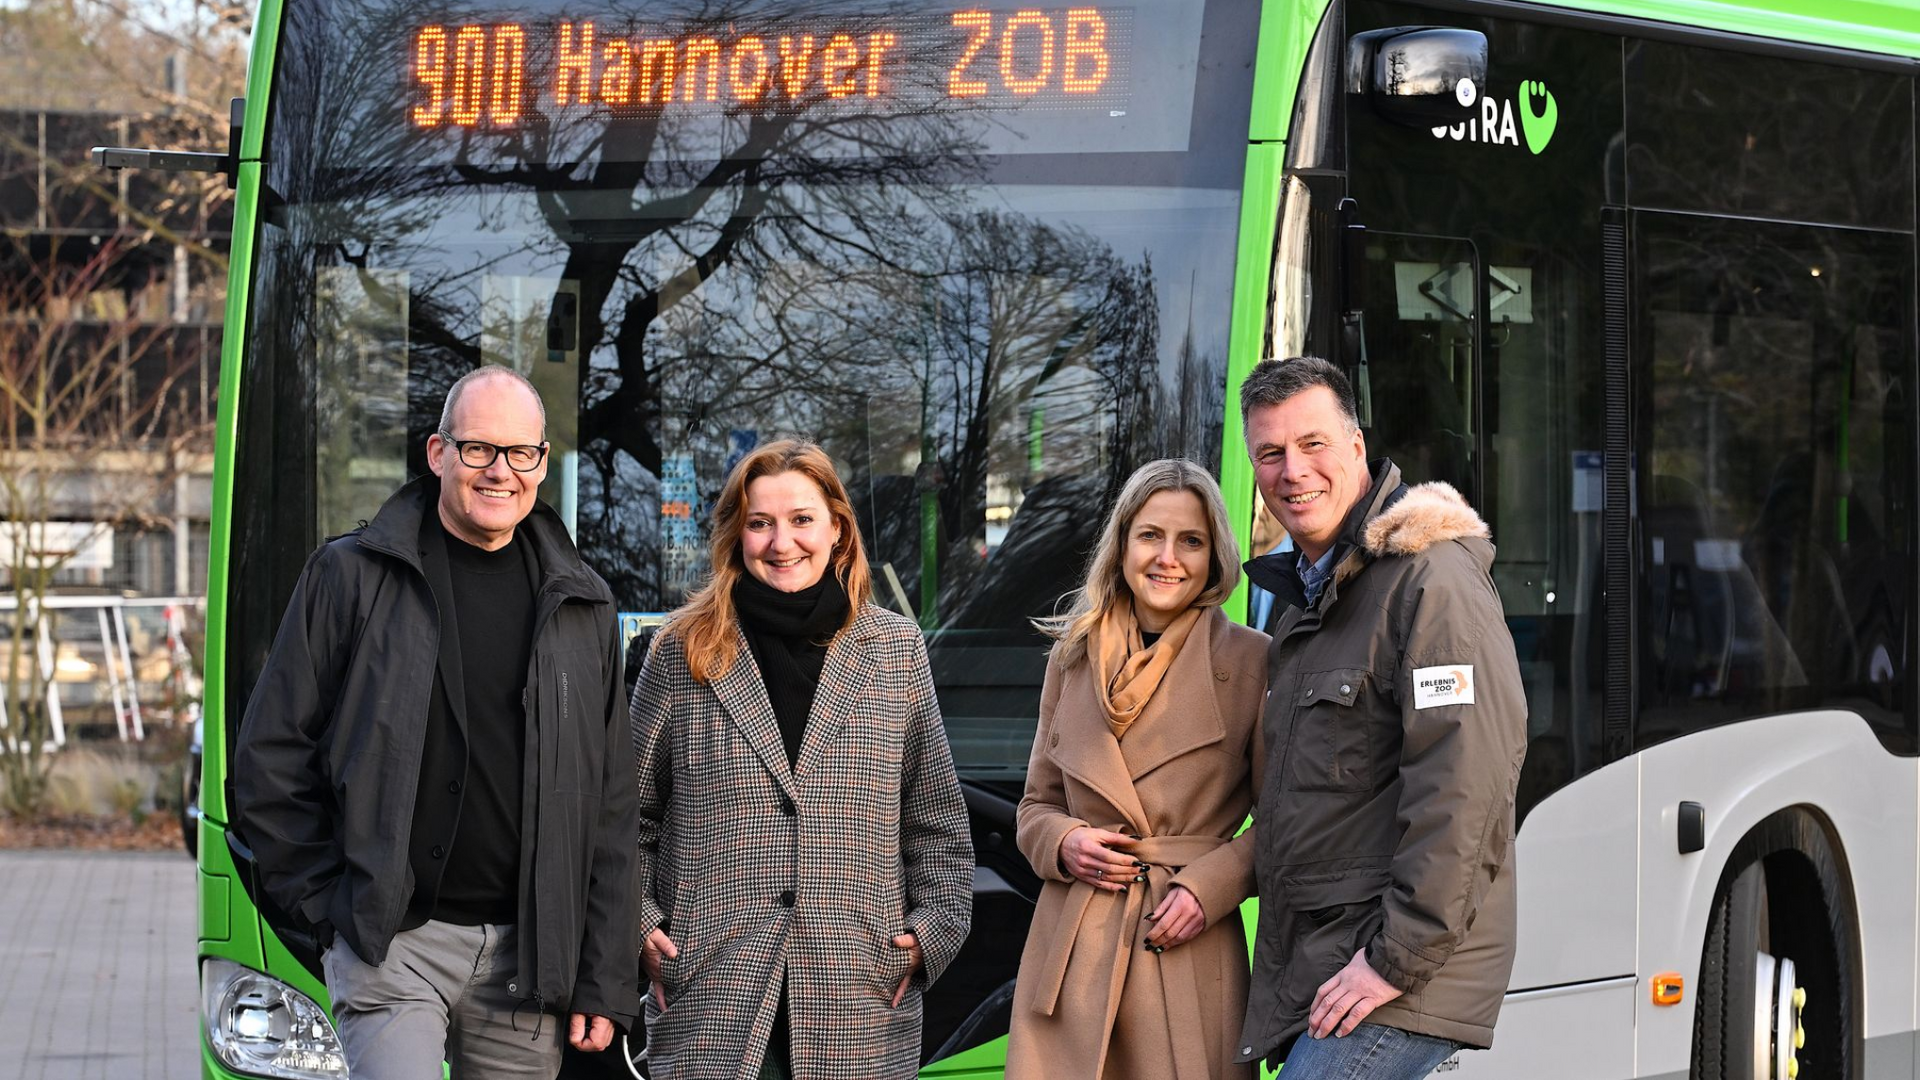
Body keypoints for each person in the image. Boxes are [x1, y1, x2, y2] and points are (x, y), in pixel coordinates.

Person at [232, 365, 639, 1078]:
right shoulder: (350, 576)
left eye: (520, 453)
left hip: (528, 964)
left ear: (543, 462)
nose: (500, 471)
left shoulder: (585, 605)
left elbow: (608, 806)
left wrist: (604, 973)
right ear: (438, 452)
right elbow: (270, 756)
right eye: (478, 448)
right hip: (392, 946)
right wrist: (330, 909)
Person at [630, 439, 974, 1080]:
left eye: (801, 519)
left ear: (837, 528)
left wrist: (928, 938)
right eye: (760, 523)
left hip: (858, 1001)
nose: (781, 542)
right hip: (713, 996)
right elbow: (624, 818)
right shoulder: (680, 651)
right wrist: (641, 927)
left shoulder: (895, 649)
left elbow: (938, 827)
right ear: (736, 535)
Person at [1233, 356, 1527, 1078]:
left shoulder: (1431, 579)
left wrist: (1395, 959)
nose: (1292, 471)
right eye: (1270, 453)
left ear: (1357, 446)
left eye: (1313, 444)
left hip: (1399, 972)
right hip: (1336, 956)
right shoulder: (1310, 598)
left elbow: (1467, 788)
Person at [1006, 458, 1269, 1080]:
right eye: (1150, 535)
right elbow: (1035, 806)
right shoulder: (1071, 655)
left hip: (1182, 940)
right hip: (1072, 953)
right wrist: (1064, 842)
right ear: (1122, 544)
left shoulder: (1256, 662)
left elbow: (1287, 821)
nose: (1167, 558)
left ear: (1214, 556)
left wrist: (1210, 887)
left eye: (1191, 540)